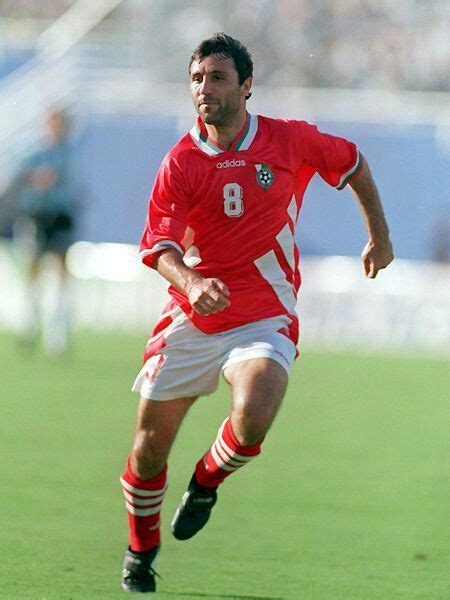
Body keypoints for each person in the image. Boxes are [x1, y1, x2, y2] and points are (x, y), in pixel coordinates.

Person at [120, 33, 394, 593]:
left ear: (246, 86)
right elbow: (158, 247)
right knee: (148, 451)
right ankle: (140, 552)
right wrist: (193, 284)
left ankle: (207, 480)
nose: (205, 89)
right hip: (193, 316)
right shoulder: (181, 161)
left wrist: (379, 237)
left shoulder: (290, 141)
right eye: (197, 79)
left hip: (263, 312)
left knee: (256, 410)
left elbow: (355, 163)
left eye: (217, 78)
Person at [4, 109, 76, 354]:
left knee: (60, 271)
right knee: (33, 270)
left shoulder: (71, 155)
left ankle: (57, 333)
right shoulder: (35, 154)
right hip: (37, 217)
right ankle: (28, 325)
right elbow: (17, 181)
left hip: (60, 217)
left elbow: (75, 188)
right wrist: (36, 181)